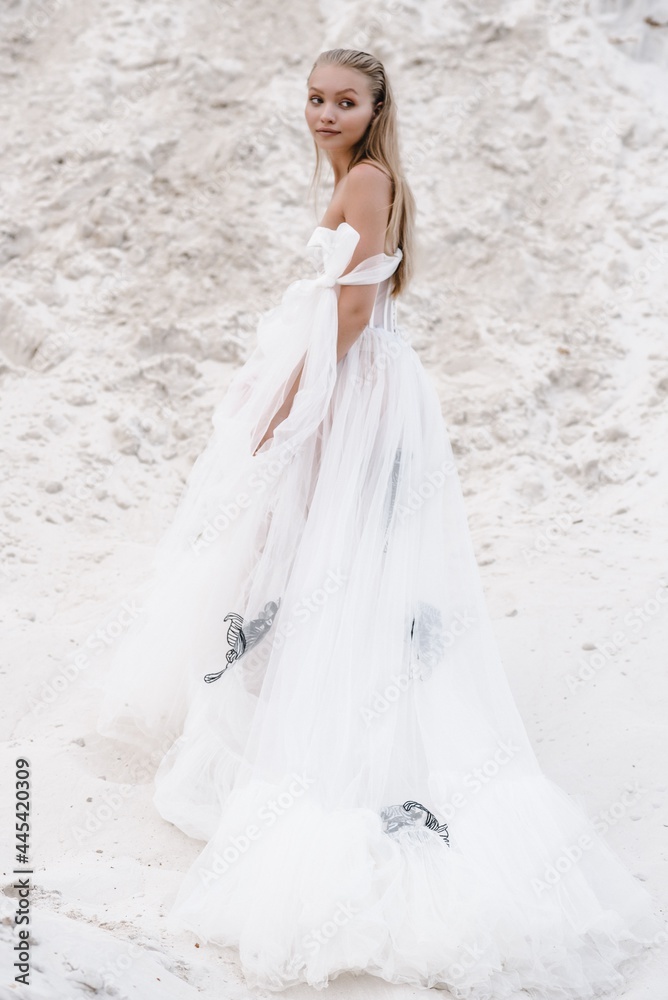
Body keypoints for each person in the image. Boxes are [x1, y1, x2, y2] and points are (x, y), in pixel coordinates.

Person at [94, 48, 664, 997]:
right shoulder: (363, 173)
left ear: (375, 106)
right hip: (366, 383)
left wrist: (296, 401)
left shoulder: (365, 179)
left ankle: (336, 727)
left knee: (329, 545)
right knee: (330, 550)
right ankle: (314, 694)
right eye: (315, 98)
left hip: (357, 386)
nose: (323, 112)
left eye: (343, 100)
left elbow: (354, 312)